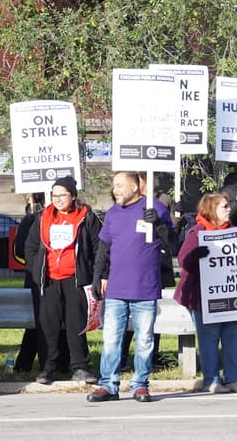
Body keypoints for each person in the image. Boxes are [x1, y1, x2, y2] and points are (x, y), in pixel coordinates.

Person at [87, 171, 171, 403]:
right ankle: (108, 385)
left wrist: (160, 225)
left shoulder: (154, 208)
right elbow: (104, 248)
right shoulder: (113, 213)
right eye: (114, 185)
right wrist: (98, 276)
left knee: (144, 340)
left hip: (145, 288)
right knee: (111, 339)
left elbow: (173, 243)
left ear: (135, 187)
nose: (116, 190)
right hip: (116, 290)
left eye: (121, 186)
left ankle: (140, 385)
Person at [23, 176, 101, 385]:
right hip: (48, 280)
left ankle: (80, 367)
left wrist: (95, 275)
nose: (57, 199)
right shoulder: (42, 217)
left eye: (62, 195)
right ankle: (48, 368)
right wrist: (35, 271)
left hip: (75, 280)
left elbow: (97, 249)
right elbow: (30, 248)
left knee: (76, 324)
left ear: (73, 196)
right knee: (47, 325)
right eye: (54, 195)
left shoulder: (87, 218)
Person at [175, 191, 237, 394]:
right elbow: (184, 261)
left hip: (231, 295)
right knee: (209, 338)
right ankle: (211, 380)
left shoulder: (233, 231)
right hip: (202, 298)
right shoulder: (197, 232)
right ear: (211, 210)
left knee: (233, 337)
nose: (228, 210)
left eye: (227, 206)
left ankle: (233, 378)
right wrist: (195, 255)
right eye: (223, 206)